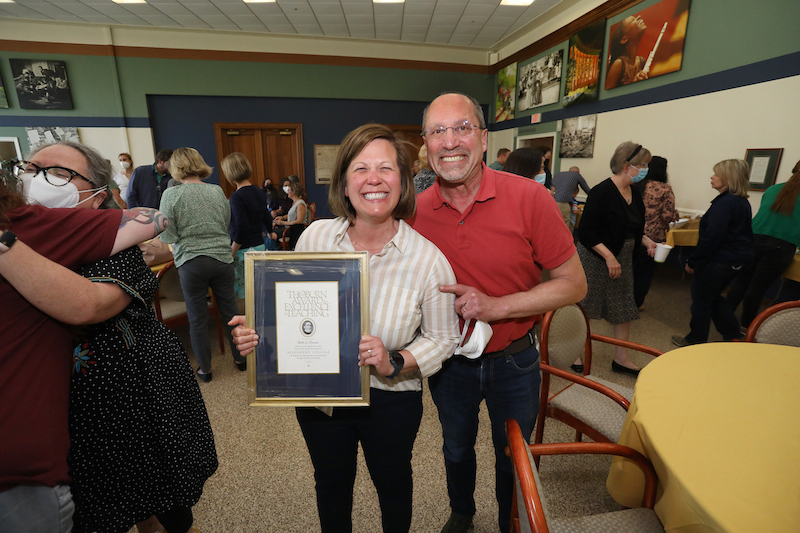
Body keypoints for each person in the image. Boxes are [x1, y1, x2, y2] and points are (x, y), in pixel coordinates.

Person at [230, 124, 460, 532]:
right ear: (344, 181)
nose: (374, 179)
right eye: (361, 168)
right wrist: (260, 330)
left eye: (386, 168)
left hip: (391, 398)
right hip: (320, 393)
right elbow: (290, 309)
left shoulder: (428, 260)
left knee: (393, 484)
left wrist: (395, 360)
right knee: (331, 483)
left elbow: (444, 338)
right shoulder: (315, 237)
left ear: (403, 180)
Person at [14, 142, 216, 533]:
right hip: (59, 399)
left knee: (157, 479)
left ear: (96, 196)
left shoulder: (114, 243)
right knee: (100, 493)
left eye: (60, 174)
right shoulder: (23, 240)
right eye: (32, 169)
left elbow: (88, 306)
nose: (39, 181)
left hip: (134, 387)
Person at [409, 92, 587, 533]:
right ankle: (462, 513)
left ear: (484, 138)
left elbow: (574, 284)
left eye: (462, 128)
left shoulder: (530, 198)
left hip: (516, 361)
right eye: (438, 131)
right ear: (426, 143)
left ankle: (511, 522)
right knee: (455, 449)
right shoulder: (413, 212)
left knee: (513, 456)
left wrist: (497, 306)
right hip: (449, 364)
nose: (450, 141)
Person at [158, 147, 246, 381]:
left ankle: (205, 370)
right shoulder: (217, 191)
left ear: (175, 167)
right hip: (222, 258)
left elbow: (167, 235)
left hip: (192, 262)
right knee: (230, 312)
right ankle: (241, 359)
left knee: (197, 319)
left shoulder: (171, 195)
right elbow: (226, 223)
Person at [576, 142, 658, 376]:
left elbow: (629, 227)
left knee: (623, 308)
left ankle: (621, 358)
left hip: (622, 257)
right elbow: (587, 232)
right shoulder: (602, 192)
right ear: (626, 166)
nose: (645, 169)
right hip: (596, 257)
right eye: (642, 165)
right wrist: (609, 257)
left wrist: (646, 241)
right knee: (585, 306)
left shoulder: (634, 192)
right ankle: (575, 352)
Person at [672, 159, 754, 346]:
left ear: (728, 177)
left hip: (719, 260)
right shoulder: (740, 202)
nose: (712, 177)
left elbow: (712, 238)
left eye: (716, 174)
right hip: (735, 260)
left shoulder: (725, 204)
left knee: (701, 299)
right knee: (713, 296)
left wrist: (694, 261)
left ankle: (695, 339)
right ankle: (732, 333)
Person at [726, 160, 800, 329]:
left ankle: (725, 315)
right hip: (781, 248)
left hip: (753, 239)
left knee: (742, 281)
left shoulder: (773, 189)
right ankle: (748, 326)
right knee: (757, 287)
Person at [222, 152, 272, 298]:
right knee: (258, 289)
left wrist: (232, 251)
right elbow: (266, 215)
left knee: (246, 294)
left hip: (242, 250)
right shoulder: (259, 191)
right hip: (259, 245)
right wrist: (270, 232)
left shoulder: (236, 197)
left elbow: (242, 226)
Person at [632, 156, 680, 308]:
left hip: (633, 233)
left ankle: (623, 302)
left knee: (630, 269)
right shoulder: (665, 189)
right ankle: (637, 303)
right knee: (644, 272)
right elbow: (667, 216)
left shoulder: (637, 185)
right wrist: (674, 214)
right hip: (653, 237)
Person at [605, 15, 649, 89]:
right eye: (632, 20)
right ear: (624, 39)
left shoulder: (642, 61)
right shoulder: (619, 64)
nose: (639, 17)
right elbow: (607, 94)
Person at [273, 180, 311, 250]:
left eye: (289, 190)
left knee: (272, 234)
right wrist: (281, 217)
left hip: (295, 230)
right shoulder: (294, 202)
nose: (287, 192)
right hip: (289, 228)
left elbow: (299, 221)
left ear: (294, 192)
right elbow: (291, 214)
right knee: (271, 231)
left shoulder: (300, 204)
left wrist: (282, 223)